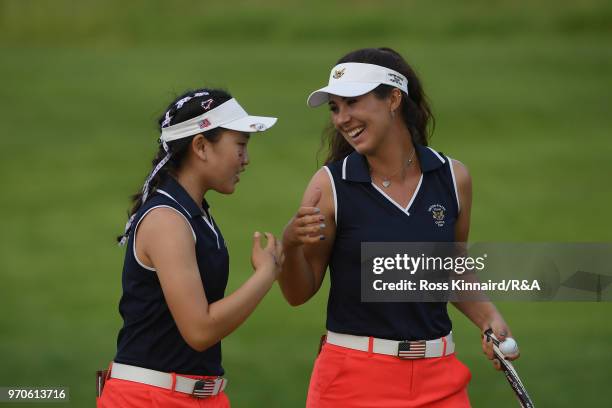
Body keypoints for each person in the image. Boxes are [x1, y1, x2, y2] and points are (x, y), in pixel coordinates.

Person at [279, 48, 520, 407]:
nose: (342, 119)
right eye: (335, 108)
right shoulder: (329, 185)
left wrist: (489, 317)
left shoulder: (452, 178)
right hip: (353, 381)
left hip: (440, 378)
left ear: (393, 99)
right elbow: (298, 293)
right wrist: (290, 244)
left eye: (352, 103)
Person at [97, 88, 282, 407]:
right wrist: (265, 275)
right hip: (149, 399)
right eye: (240, 146)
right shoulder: (168, 221)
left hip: (190, 395)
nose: (246, 159)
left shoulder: (195, 213)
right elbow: (199, 329)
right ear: (201, 146)